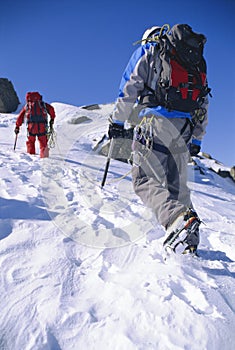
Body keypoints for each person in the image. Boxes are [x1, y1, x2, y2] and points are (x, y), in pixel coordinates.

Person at [108, 24, 210, 254]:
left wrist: (116, 121)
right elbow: (203, 102)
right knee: (177, 186)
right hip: (184, 129)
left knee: (143, 179)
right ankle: (189, 239)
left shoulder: (150, 51)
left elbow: (129, 87)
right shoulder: (193, 60)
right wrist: (197, 140)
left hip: (155, 123)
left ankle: (177, 220)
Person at [15, 92, 56, 158]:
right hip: (42, 126)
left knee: (31, 141)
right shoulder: (43, 104)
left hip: (31, 127)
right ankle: (44, 157)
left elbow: (20, 116)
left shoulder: (27, 106)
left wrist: (17, 126)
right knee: (43, 143)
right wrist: (52, 119)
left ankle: (31, 158)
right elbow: (51, 110)